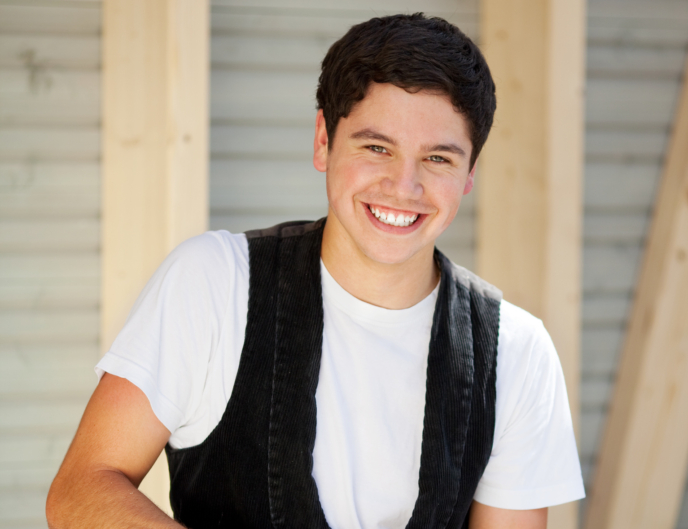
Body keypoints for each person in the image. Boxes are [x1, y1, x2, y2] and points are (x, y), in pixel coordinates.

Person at [47, 13, 584, 529]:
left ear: (469, 172)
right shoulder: (215, 284)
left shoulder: (516, 352)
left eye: (438, 158)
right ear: (323, 141)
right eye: (377, 148)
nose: (404, 187)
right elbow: (80, 492)